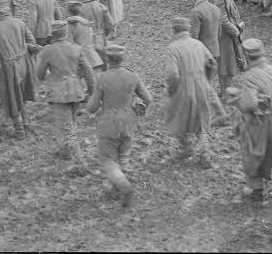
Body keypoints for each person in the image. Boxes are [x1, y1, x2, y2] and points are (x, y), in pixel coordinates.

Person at [79, 44, 150, 208]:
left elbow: (93, 106)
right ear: (122, 59)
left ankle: (124, 187)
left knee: (108, 160)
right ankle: (115, 189)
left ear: (107, 59)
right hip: (129, 122)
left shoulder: (102, 78)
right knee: (123, 156)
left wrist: (86, 111)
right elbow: (148, 98)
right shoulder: (132, 76)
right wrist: (137, 105)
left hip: (109, 124)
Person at [224, 38, 272, 204]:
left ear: (246, 56)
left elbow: (249, 105)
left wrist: (237, 97)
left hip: (259, 121)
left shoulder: (250, 76)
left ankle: (257, 191)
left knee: (253, 154)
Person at [35, 19, 95, 165]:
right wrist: (91, 90)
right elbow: (89, 71)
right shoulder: (76, 48)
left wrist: (50, 74)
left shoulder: (47, 51)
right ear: (66, 33)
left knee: (66, 128)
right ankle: (64, 151)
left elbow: (40, 74)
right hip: (76, 91)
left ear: (52, 34)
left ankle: (79, 162)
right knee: (71, 124)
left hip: (58, 94)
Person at [164, 16, 218, 167]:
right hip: (201, 88)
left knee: (178, 120)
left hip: (183, 90)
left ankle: (186, 148)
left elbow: (173, 75)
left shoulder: (172, 48)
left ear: (174, 30)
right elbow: (212, 64)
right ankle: (205, 155)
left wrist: (171, 90)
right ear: (187, 29)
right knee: (200, 124)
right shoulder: (198, 44)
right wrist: (207, 81)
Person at [0, 0, 40, 138]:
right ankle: (26, 122)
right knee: (22, 94)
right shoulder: (19, 23)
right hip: (24, 63)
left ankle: (19, 129)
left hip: (7, 68)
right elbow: (32, 42)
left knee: (11, 97)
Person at [215, 0, 245, 92]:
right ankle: (224, 92)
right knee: (226, 64)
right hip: (225, 37)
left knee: (231, 63)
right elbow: (223, 20)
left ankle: (226, 90)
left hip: (231, 35)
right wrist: (236, 32)